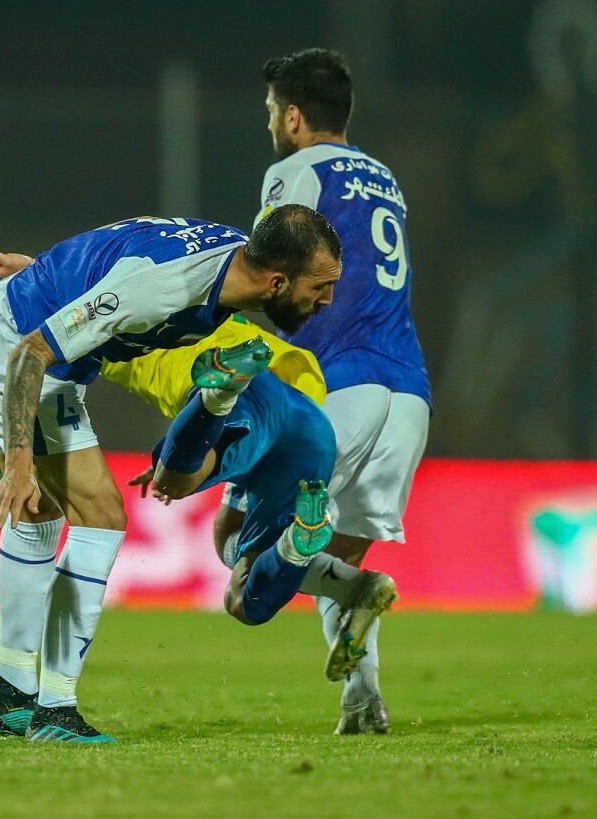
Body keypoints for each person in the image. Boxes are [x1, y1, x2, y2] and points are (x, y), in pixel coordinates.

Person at [0, 205, 341, 742]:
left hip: (39, 341)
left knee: (43, 512)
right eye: (320, 287)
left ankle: (11, 694)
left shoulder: (233, 259)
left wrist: (52, 274)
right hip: (17, 348)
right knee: (101, 516)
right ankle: (54, 710)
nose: (326, 300)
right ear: (277, 280)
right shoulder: (164, 286)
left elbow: (117, 253)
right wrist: (18, 461)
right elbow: (30, 353)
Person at [0, 319, 397, 736]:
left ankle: (216, 399)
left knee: (174, 479)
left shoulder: (92, 331)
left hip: (234, 400)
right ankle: (306, 554)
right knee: (235, 560)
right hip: (305, 418)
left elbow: (36, 421)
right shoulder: (190, 293)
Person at [243, 48, 431, 733]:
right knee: (338, 550)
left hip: (338, 383)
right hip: (407, 390)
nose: (268, 123)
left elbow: (270, 268)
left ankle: (359, 597)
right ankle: (362, 699)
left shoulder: (292, 172)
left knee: (237, 536)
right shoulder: (385, 178)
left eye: (270, 111)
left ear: (293, 116)